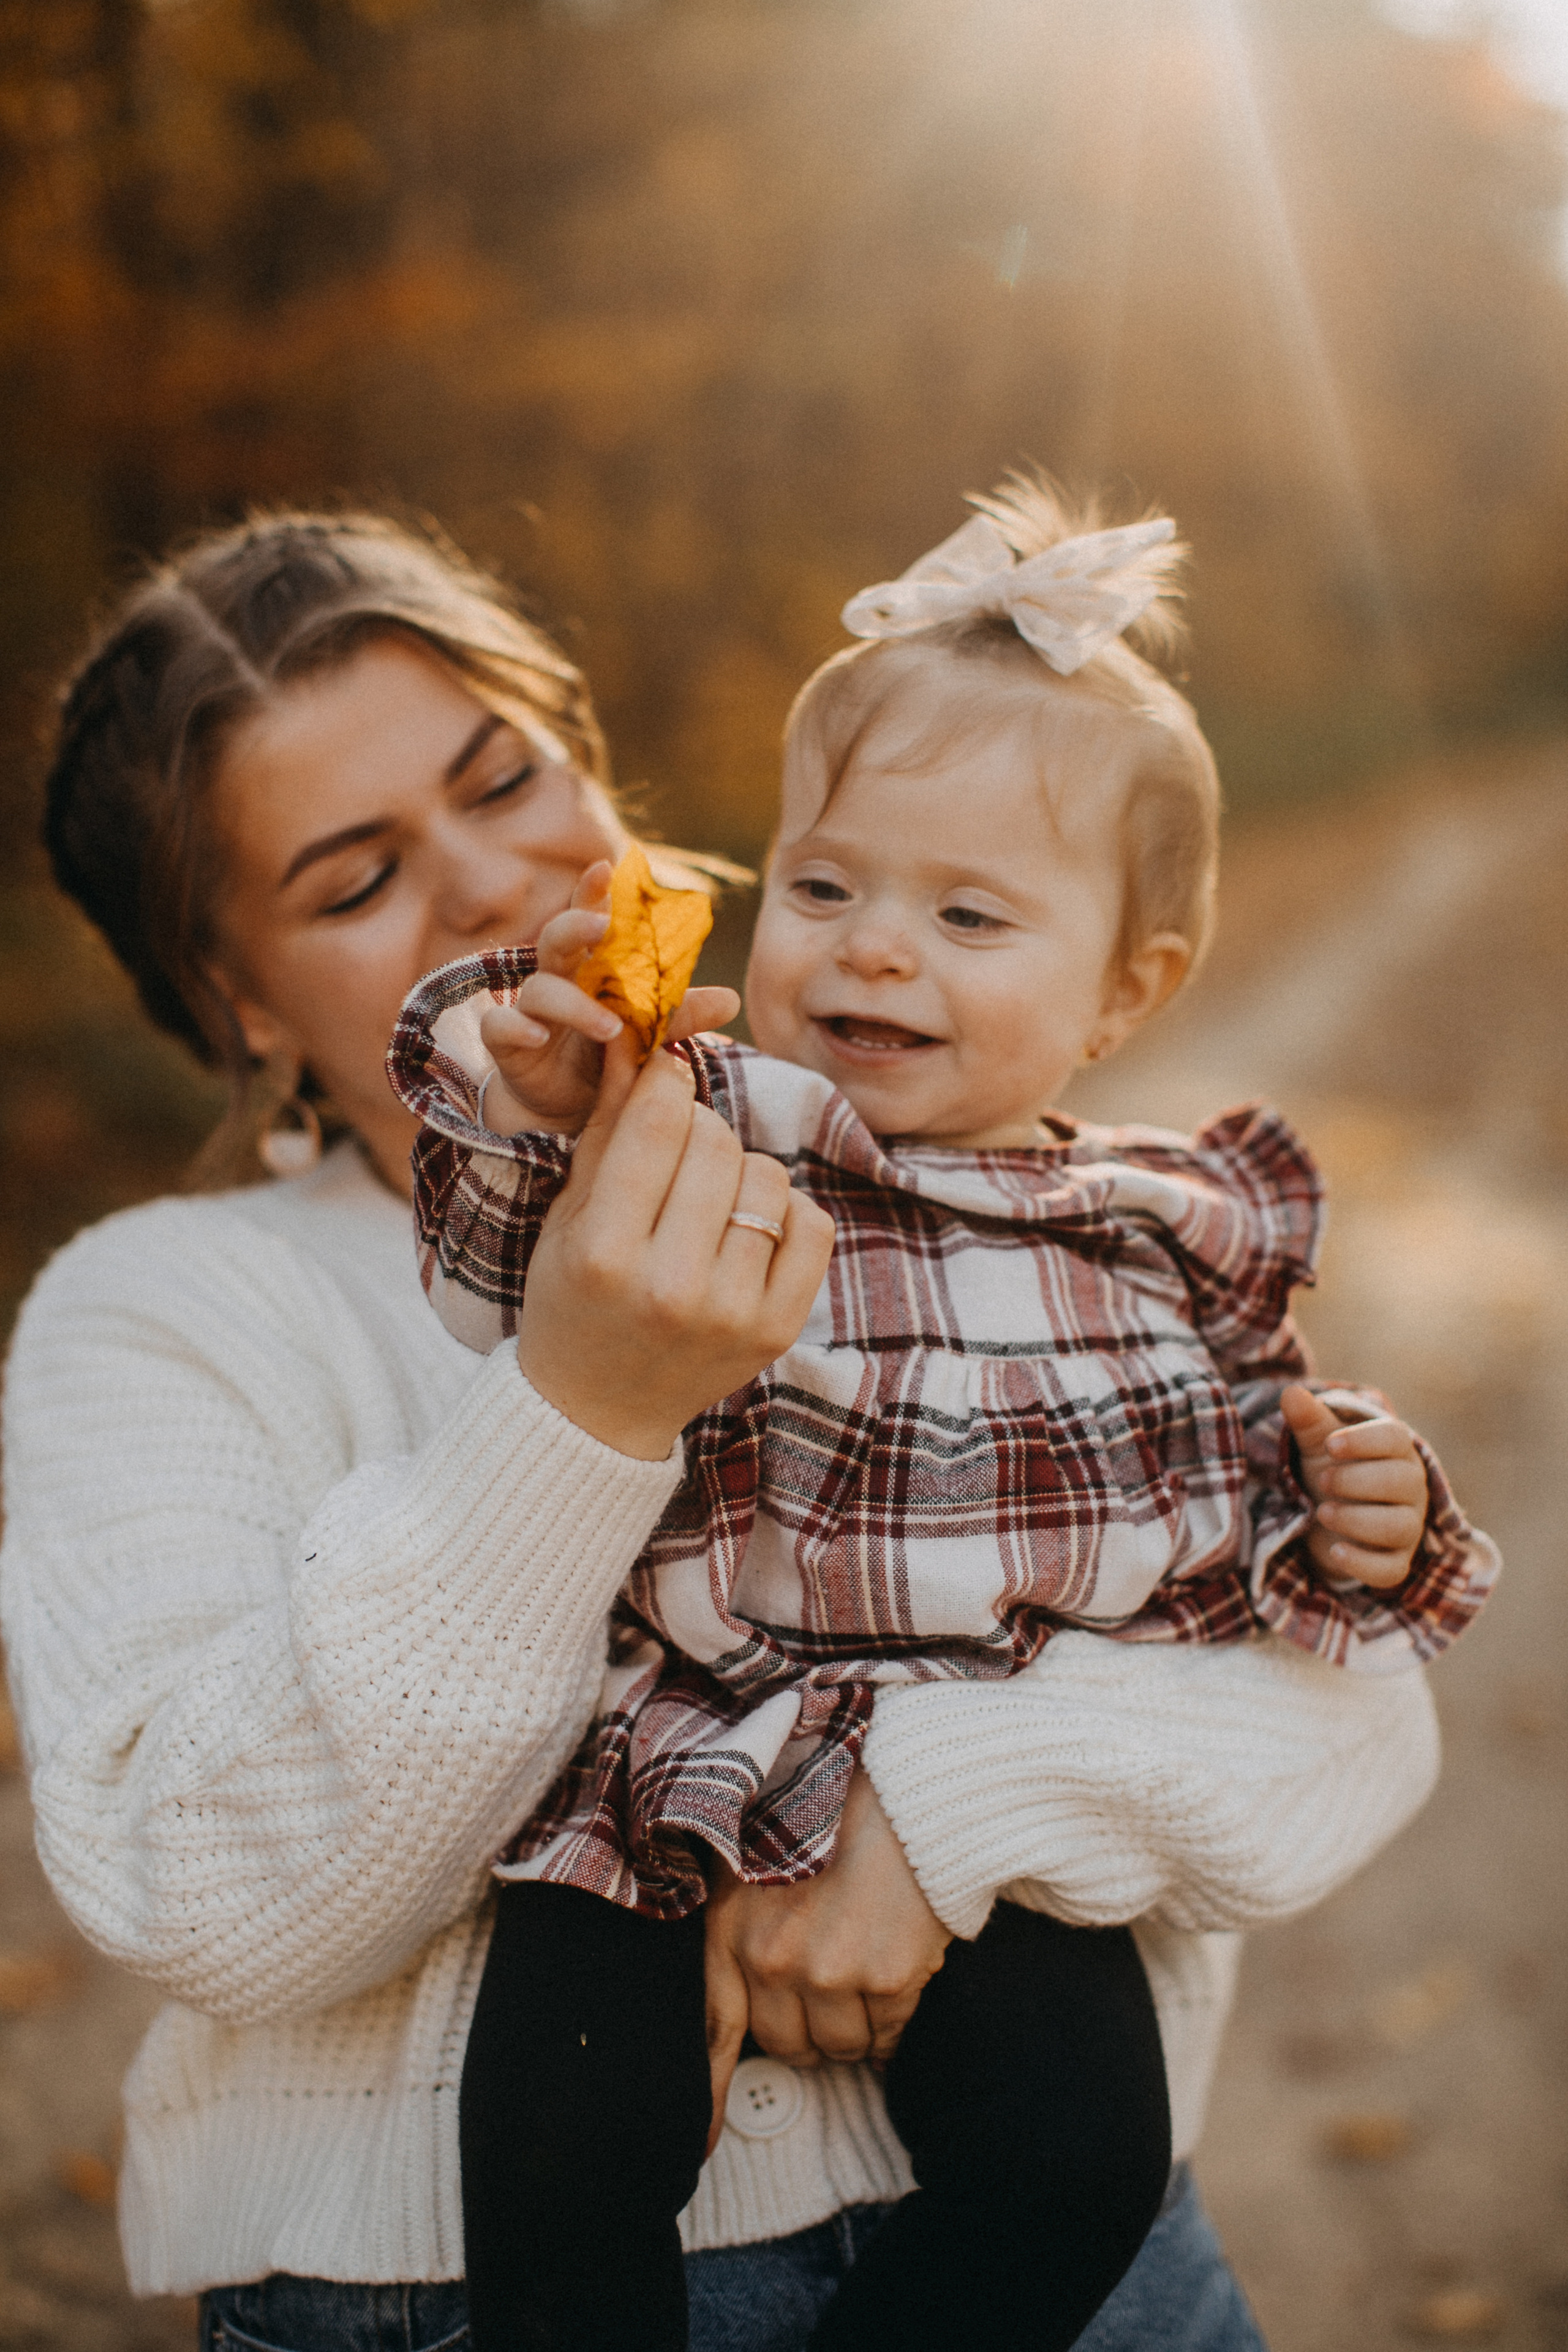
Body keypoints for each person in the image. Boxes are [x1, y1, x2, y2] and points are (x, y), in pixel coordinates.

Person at [0, 509, 1459, 2352]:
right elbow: (192, 1891)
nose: (475, 883)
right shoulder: (168, 1308)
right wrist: (584, 1407)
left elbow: (1344, 1699)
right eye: (353, 879)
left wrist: (936, 1815)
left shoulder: (999, 1192)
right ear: (241, 1004)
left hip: (1077, 2274)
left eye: (501, 777)